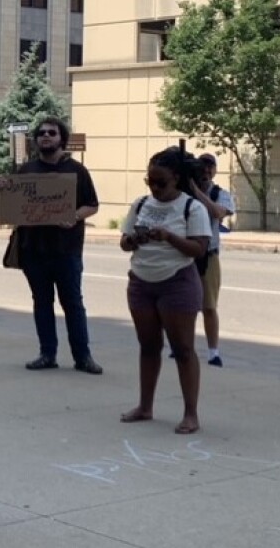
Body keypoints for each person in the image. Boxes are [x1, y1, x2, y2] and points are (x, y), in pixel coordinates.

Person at [119, 147, 211, 434]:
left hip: (177, 283)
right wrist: (135, 239)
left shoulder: (191, 208)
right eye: (150, 182)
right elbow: (123, 243)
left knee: (183, 349)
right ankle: (145, 407)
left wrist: (169, 237)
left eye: (162, 183)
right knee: (148, 346)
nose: (155, 188)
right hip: (141, 281)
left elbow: (199, 249)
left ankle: (190, 414)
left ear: (177, 179)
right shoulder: (141, 204)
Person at [9, 116, 102, 374]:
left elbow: (92, 205)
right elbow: (14, 208)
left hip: (66, 250)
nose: (46, 137)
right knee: (41, 302)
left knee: (72, 303)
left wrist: (73, 216)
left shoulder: (77, 171)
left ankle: (83, 357)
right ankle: (47, 353)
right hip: (33, 250)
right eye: (41, 133)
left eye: (51, 133)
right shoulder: (26, 171)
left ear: (62, 138)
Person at [189, 153, 235, 367]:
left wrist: (197, 192)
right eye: (202, 168)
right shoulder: (183, 192)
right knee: (185, 304)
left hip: (209, 255)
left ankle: (213, 351)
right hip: (187, 253)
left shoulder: (220, 194)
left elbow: (218, 212)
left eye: (210, 168)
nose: (206, 172)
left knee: (209, 306)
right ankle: (183, 344)